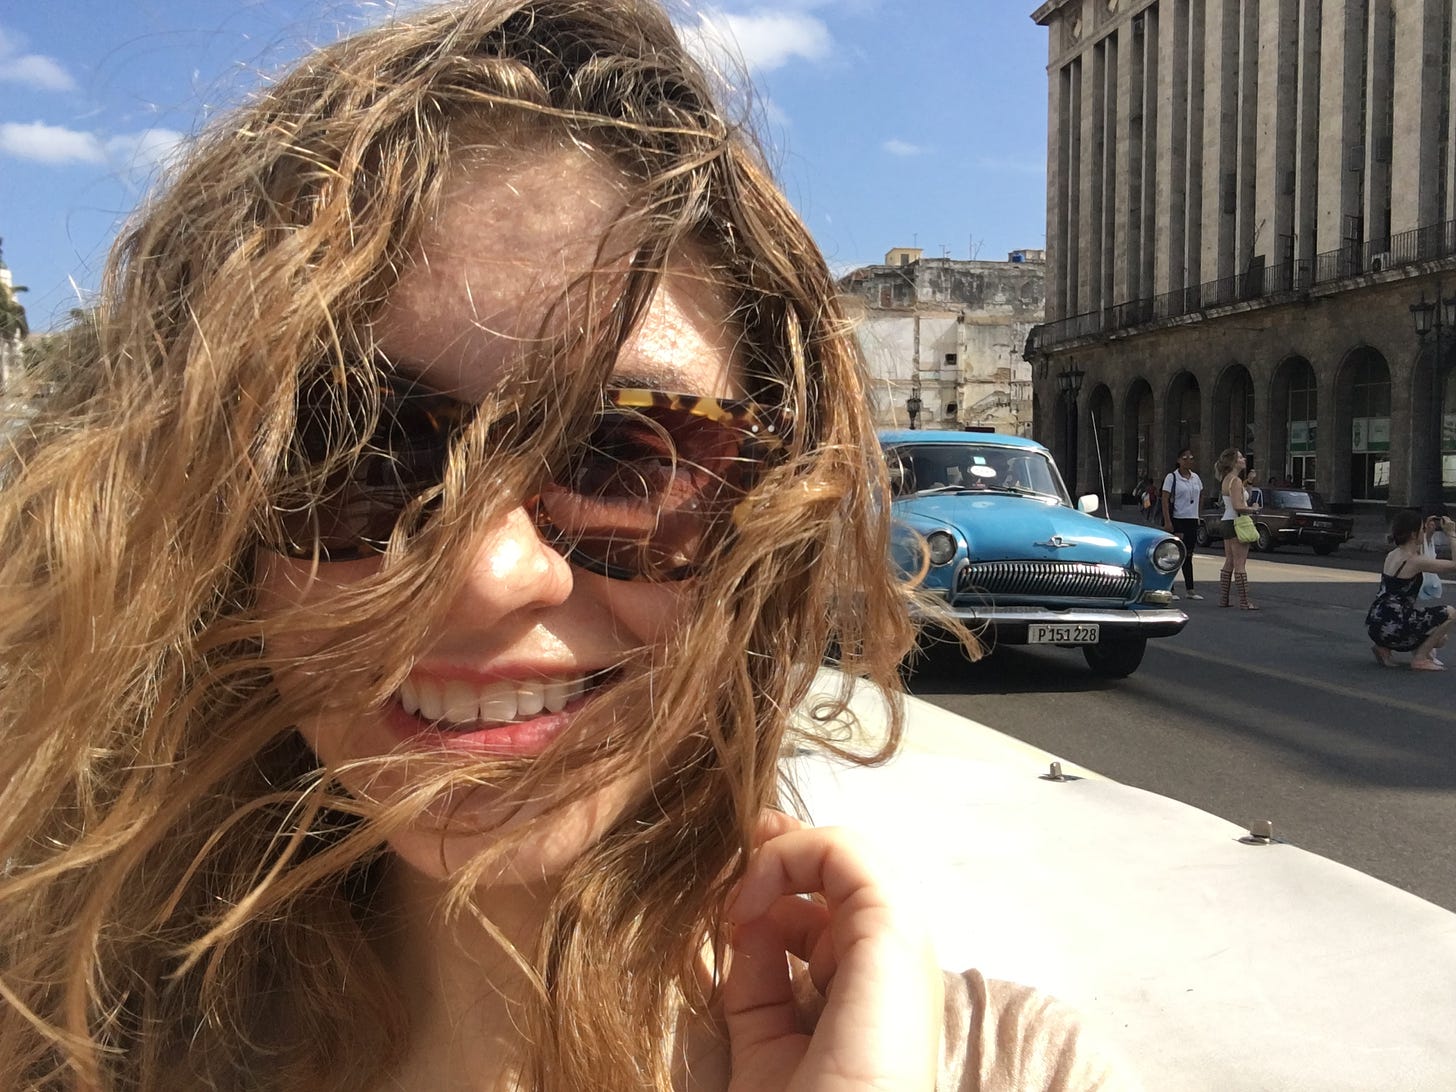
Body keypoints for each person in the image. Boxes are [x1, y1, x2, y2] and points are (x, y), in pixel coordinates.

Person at [0, 3, 1136, 1090]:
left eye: (629, 455)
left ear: (770, 509)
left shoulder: (997, 1072)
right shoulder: (52, 1035)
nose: (486, 575)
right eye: (352, 450)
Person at [1368, 512, 1456, 670]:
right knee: (1450, 613)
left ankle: (1383, 648)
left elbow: (1417, 551)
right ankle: (1420, 659)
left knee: (1440, 638)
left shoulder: (1393, 555)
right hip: (1396, 625)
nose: (1424, 532)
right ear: (1414, 534)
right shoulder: (1414, 561)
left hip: (1376, 622)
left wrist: (1427, 534)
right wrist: (1451, 534)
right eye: (1422, 529)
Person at [1216, 448, 1261, 610]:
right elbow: (1238, 506)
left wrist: (1248, 481)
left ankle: (1224, 599)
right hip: (1237, 522)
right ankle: (1244, 601)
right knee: (1240, 564)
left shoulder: (1227, 479)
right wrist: (1254, 509)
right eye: (1241, 457)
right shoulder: (1234, 481)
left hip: (1227, 521)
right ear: (1233, 462)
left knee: (1229, 561)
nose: (1244, 459)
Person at [1161, 449, 1204, 599]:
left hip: (1191, 518)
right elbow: (1165, 499)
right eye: (1185, 458)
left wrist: (1198, 514)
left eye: (1191, 458)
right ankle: (1170, 588)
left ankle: (1190, 589)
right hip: (1178, 518)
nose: (1188, 461)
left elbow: (1201, 494)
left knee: (1189, 555)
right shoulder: (1172, 477)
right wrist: (1168, 521)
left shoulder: (1195, 478)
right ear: (1179, 460)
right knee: (1175, 554)